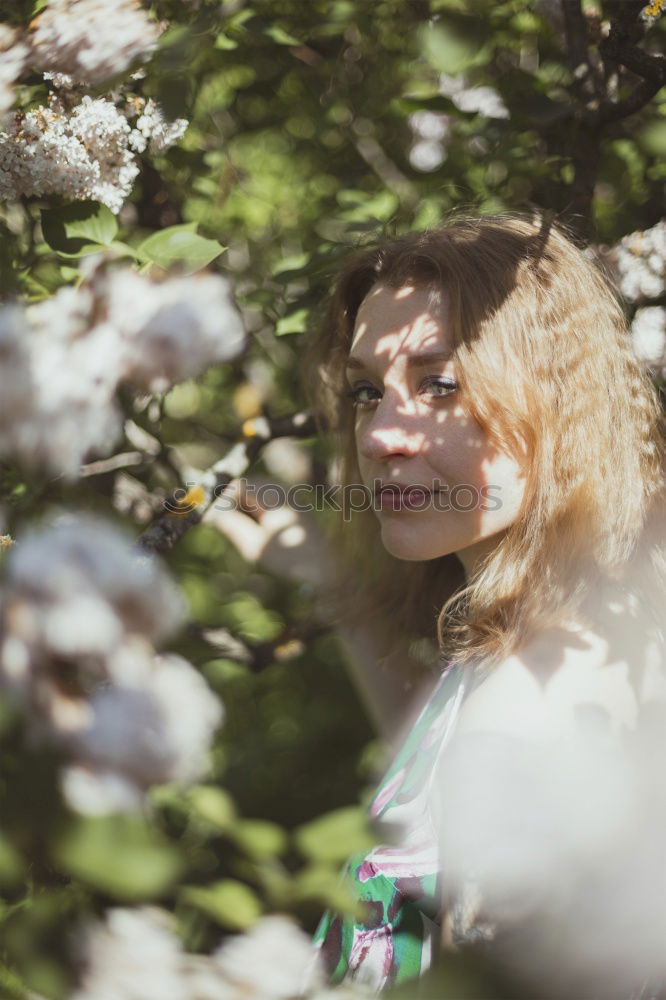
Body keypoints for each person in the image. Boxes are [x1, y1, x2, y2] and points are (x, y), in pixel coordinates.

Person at [208, 210, 666, 996]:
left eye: (439, 383)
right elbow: (433, 793)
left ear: (560, 399)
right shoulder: (555, 642)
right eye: (365, 391)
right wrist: (325, 579)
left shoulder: (532, 715)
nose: (382, 434)